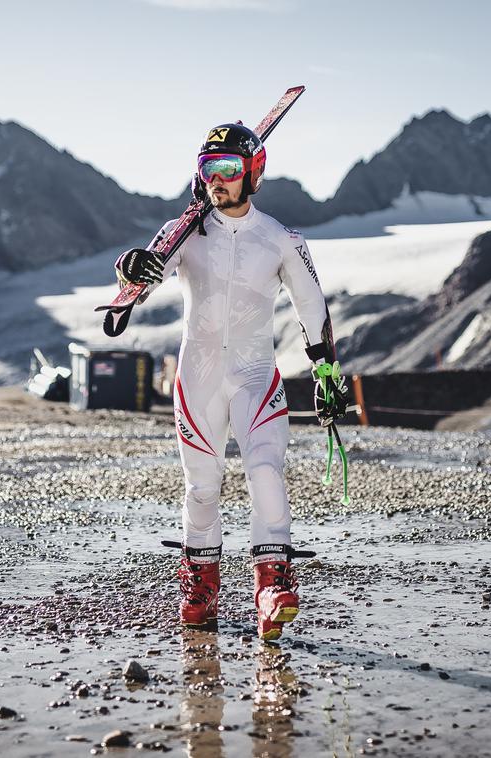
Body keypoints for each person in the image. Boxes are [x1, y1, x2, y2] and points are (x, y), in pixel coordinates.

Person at [115, 123, 349, 640]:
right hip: (196, 378)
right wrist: (130, 270)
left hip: (255, 375)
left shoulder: (282, 239)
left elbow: (312, 306)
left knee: (265, 471)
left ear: (254, 173)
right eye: (207, 170)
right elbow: (146, 274)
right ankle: (200, 585)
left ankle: (272, 586)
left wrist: (327, 374)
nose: (216, 181)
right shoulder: (183, 233)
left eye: (227, 170)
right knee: (202, 489)